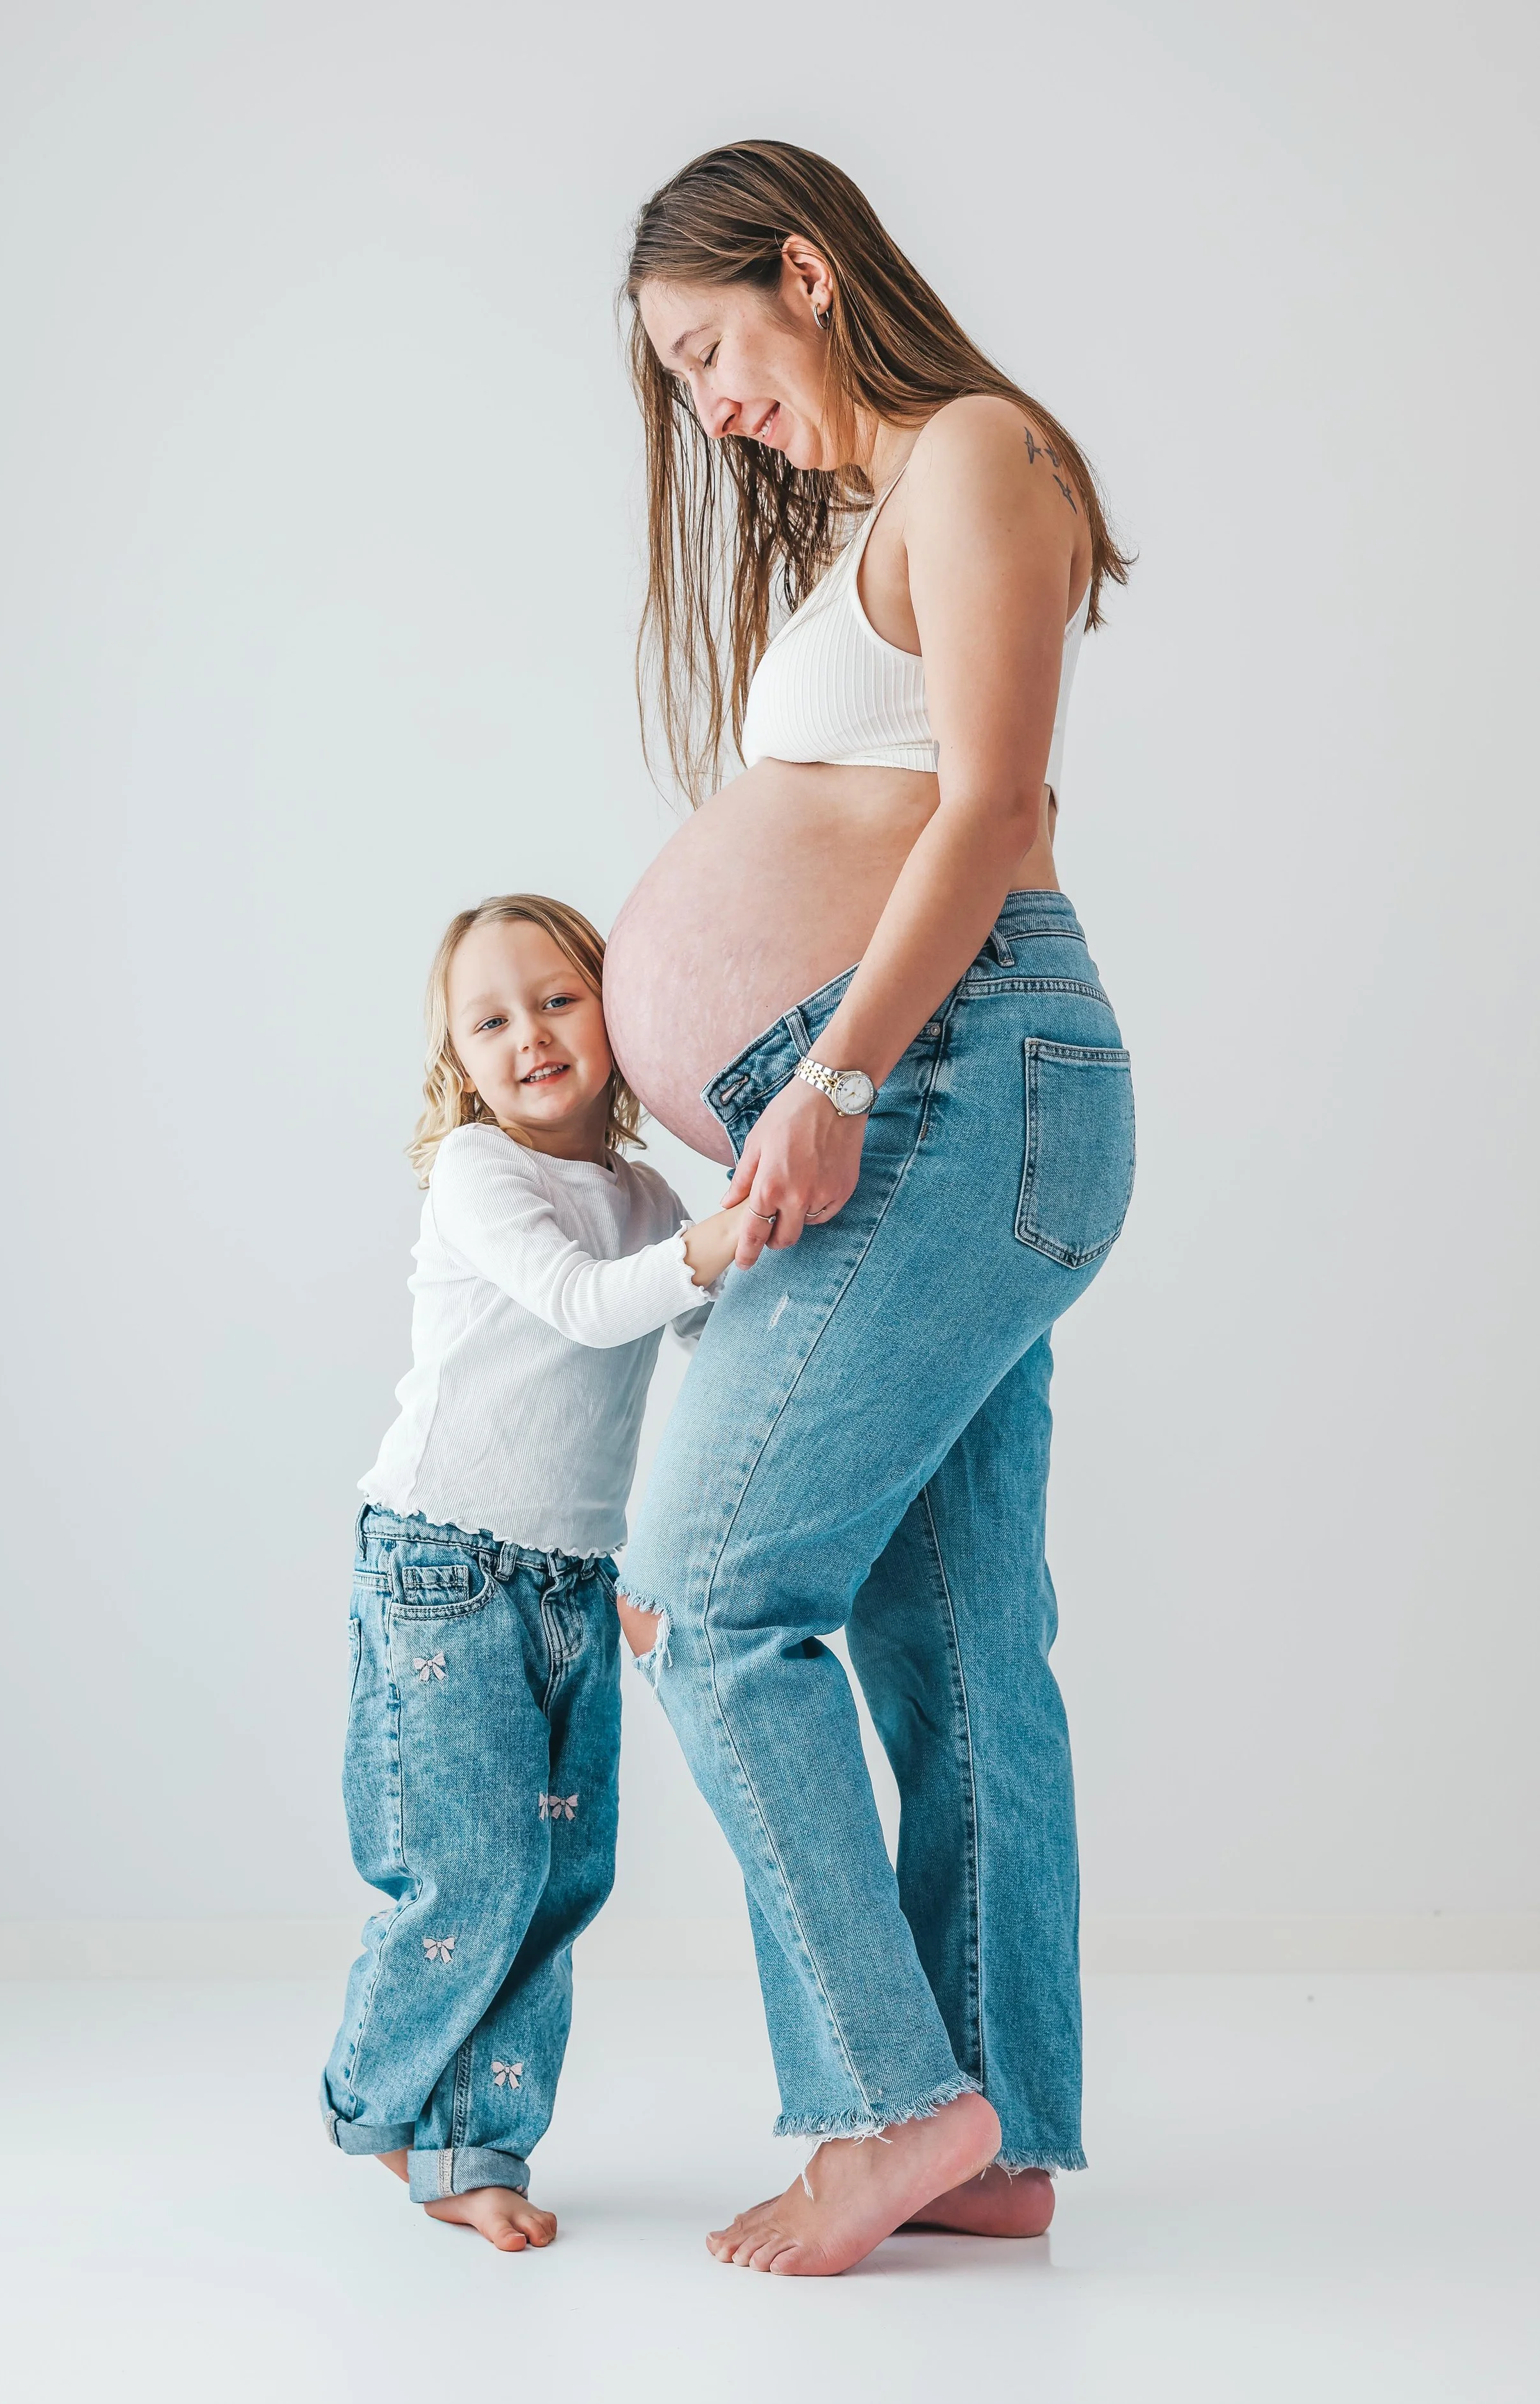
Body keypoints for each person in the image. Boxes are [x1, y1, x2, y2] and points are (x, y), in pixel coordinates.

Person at [603, 141, 1136, 2276]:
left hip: (943, 1087)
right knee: (956, 1632)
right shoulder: (869, 516)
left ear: (807, 275)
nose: (710, 400)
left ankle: (888, 2100)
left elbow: (992, 806)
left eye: (707, 347)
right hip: (905, 1098)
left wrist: (824, 1076)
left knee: (702, 1592)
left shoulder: (979, 449)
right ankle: (993, 2131)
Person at [321, 894, 741, 2249]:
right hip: (441, 1563)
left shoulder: (647, 1199)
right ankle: (383, 2104)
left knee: (561, 1875)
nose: (531, 1036)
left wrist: (751, 1258)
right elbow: (585, 1303)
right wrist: (710, 1249)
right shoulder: (477, 1170)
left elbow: (711, 1339)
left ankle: (479, 2139)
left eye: (558, 1001)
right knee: (473, 1867)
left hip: (569, 1579)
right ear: (458, 1056)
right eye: (490, 1020)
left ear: (616, 1014)